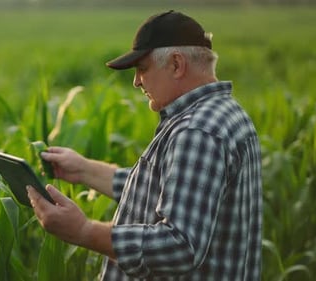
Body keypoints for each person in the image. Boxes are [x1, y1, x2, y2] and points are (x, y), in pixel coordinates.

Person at [27, 10, 262, 280]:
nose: (137, 81)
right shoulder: (224, 112)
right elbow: (170, 186)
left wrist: (84, 231)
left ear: (176, 65)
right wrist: (83, 170)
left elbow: (180, 246)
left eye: (142, 68)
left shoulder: (197, 131)